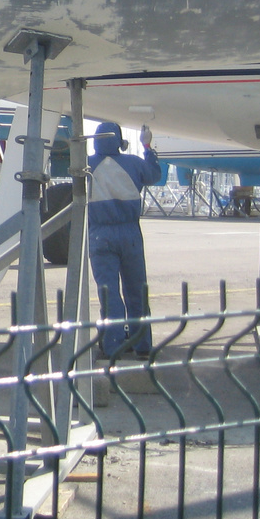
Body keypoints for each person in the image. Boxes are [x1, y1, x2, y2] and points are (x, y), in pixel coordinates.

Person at [87, 121, 162, 358]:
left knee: (109, 293)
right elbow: (155, 175)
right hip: (130, 233)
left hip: (100, 234)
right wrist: (147, 147)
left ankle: (113, 345)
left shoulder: (86, 165)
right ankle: (142, 345)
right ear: (120, 142)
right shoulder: (133, 163)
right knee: (136, 291)